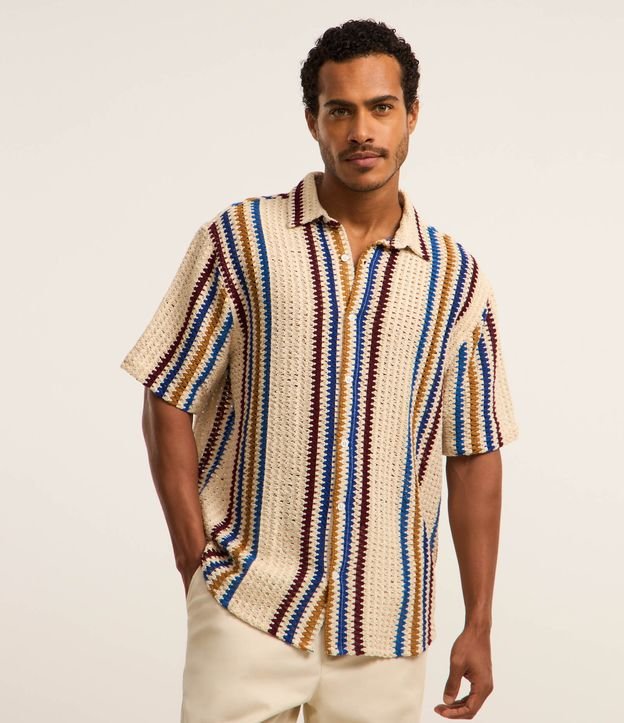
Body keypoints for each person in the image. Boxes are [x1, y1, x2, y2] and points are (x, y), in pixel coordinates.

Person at [120, 18, 519, 723]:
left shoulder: (457, 280)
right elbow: (168, 393)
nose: (362, 130)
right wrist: (195, 566)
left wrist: (479, 621)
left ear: (412, 115)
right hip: (248, 602)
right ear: (313, 121)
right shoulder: (240, 240)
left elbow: (475, 452)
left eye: (380, 107)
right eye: (341, 110)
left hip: (385, 624)